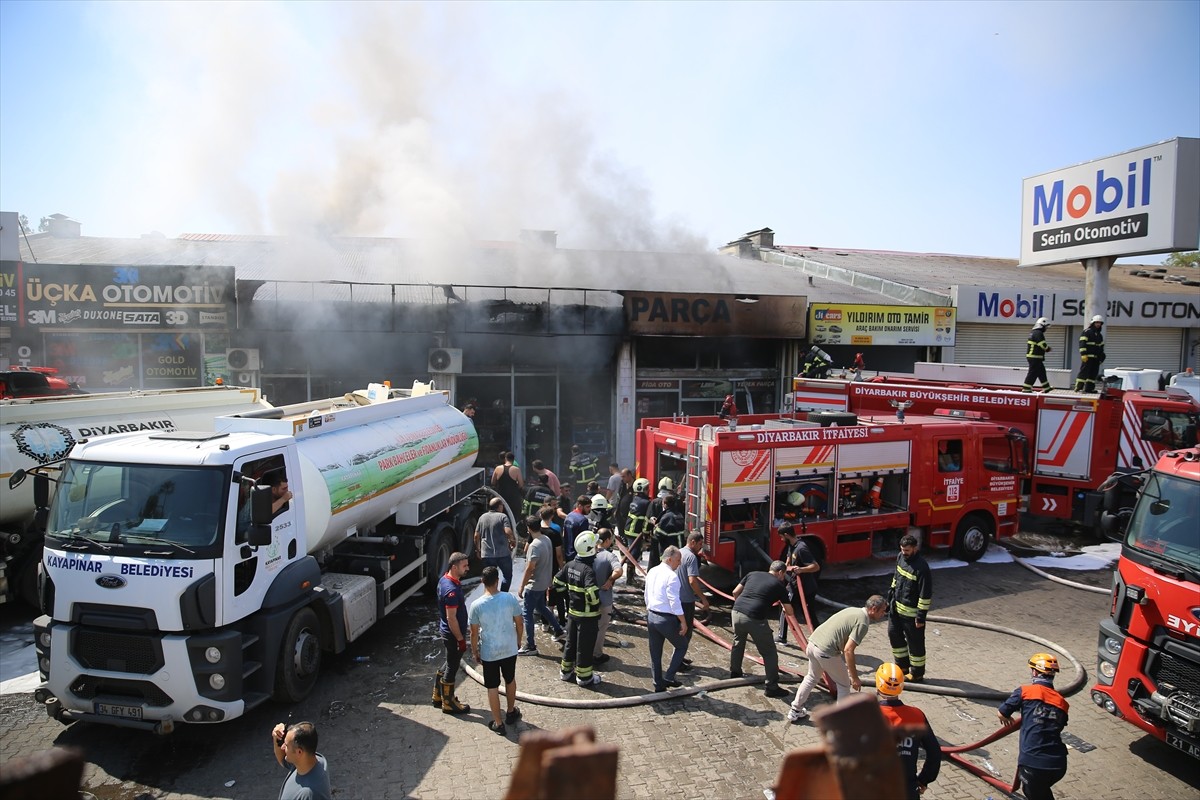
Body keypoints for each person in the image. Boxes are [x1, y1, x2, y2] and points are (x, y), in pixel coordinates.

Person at [788, 595, 889, 723]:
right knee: (844, 685)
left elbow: (842, 638)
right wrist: (855, 678)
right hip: (825, 651)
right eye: (882, 611)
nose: (884, 614)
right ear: (873, 609)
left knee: (811, 677)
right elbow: (848, 650)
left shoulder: (853, 610)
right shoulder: (863, 623)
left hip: (812, 644)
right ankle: (840, 721)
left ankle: (795, 710)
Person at [998, 653, 1070, 800]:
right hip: (1058, 764)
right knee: (1042, 791)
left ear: (1035, 672)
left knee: (1034, 792)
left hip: (1034, 764)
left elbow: (1002, 713)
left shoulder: (1025, 691)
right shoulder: (1062, 702)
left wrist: (1009, 719)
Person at [468, 565, 524, 735]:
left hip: (489, 653)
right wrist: (518, 640)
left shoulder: (476, 605)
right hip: (509, 649)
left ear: (482, 581)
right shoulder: (509, 599)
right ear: (497, 581)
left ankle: (498, 724)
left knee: (492, 687)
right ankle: (511, 712)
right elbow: (519, 623)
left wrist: (475, 652)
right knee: (510, 679)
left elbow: (473, 633)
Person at [875, 664, 941, 800]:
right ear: (901, 686)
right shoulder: (917, 715)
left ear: (878, 684)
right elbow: (934, 752)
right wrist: (924, 780)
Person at [729, 560, 794, 698]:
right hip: (755, 618)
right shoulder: (779, 585)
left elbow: (735, 592)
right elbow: (789, 612)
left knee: (738, 642)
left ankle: (735, 672)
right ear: (780, 572)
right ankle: (772, 687)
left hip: (736, 612)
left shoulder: (752, 574)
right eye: (784, 575)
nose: (783, 578)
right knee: (769, 653)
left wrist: (743, 605)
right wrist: (784, 606)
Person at [553, 531, 603, 687]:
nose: (597, 548)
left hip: (573, 613)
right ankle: (584, 677)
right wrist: (595, 605)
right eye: (595, 546)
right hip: (587, 617)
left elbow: (557, 581)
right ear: (590, 550)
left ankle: (565, 671)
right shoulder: (588, 570)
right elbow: (592, 593)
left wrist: (567, 597)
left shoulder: (570, 565)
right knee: (584, 646)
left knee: (570, 642)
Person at [644, 545, 689, 692]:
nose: (679, 564)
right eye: (678, 560)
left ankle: (658, 684)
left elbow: (646, 594)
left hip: (651, 616)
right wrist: (683, 621)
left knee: (655, 653)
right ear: (669, 559)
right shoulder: (672, 576)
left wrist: (649, 609)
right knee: (682, 645)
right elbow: (674, 602)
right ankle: (669, 676)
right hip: (666, 619)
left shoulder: (652, 571)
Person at [889, 533, 933, 682]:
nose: (904, 553)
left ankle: (917, 673)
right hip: (896, 609)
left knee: (915, 644)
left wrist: (920, 617)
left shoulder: (922, 568)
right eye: (902, 549)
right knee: (894, 636)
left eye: (907, 550)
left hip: (911, 615)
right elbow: (896, 579)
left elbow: (925, 595)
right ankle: (902, 667)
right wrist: (890, 599)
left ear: (915, 548)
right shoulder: (900, 558)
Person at [517, 516, 564, 654]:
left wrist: (521, 586)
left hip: (534, 585)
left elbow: (530, 568)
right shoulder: (547, 539)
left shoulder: (534, 545)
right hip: (544, 582)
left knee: (527, 614)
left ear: (528, 528)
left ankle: (531, 646)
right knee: (542, 607)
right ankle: (558, 630)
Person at [433, 552, 471, 715]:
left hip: (448, 632)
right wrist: (460, 639)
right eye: (464, 566)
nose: (467, 568)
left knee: (449, 661)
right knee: (452, 666)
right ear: (454, 567)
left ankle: (438, 695)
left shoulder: (444, 580)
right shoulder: (451, 590)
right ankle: (448, 702)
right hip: (453, 634)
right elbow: (451, 618)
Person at [776, 522, 821, 643]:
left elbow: (815, 566)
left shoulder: (802, 548)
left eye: (781, 537)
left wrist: (801, 570)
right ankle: (782, 636)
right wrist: (783, 570)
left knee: (808, 614)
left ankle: (820, 639)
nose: (781, 539)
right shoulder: (791, 545)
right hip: (794, 585)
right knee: (785, 606)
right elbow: (789, 559)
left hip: (805, 587)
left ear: (786, 535)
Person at [271, 720, 332, 800]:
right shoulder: (312, 760)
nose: (282, 747)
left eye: (286, 745)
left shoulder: (310, 794)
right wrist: (276, 738)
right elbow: (282, 759)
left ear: (299, 752)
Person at [675, 531, 710, 670]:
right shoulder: (691, 557)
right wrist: (703, 598)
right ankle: (678, 662)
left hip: (676, 598)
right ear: (693, 542)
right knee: (686, 632)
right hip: (686, 601)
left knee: (679, 630)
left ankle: (679, 657)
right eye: (700, 544)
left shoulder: (678, 553)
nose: (701, 547)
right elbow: (692, 581)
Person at [591, 528, 621, 665]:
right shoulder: (609, 556)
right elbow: (618, 571)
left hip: (588, 598)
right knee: (601, 628)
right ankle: (596, 654)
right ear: (607, 540)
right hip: (604, 599)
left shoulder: (588, 553)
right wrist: (610, 580)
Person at [475, 496, 516, 593]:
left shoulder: (482, 517)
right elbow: (508, 531)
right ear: (499, 506)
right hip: (503, 554)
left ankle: (490, 594)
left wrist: (478, 549)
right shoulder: (502, 516)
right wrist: (512, 541)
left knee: (489, 577)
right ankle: (503, 594)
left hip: (487, 554)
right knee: (507, 576)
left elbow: (476, 535)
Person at [539, 504, 568, 628]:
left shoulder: (537, 531)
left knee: (542, 593)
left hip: (540, 566)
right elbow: (559, 554)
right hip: (553, 567)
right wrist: (562, 568)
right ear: (552, 516)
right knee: (557, 593)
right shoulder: (555, 532)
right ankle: (561, 621)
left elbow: (527, 548)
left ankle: (544, 622)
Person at [622, 478, 652, 582]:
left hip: (629, 529)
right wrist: (646, 533)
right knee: (633, 554)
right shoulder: (646, 502)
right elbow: (647, 519)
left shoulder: (635, 499)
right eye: (647, 488)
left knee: (633, 552)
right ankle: (630, 579)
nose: (648, 490)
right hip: (635, 531)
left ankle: (632, 574)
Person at [646, 477, 676, 569]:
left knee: (654, 559)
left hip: (656, 536)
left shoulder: (654, 502)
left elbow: (648, 518)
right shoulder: (674, 501)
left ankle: (651, 575)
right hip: (669, 538)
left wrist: (646, 534)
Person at [1074, 315, 1105, 393]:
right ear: (1093, 323)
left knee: (1093, 374)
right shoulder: (1087, 332)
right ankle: (1078, 387)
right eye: (1097, 322)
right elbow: (1082, 343)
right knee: (1084, 372)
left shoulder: (1099, 335)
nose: (1098, 324)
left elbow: (1101, 347)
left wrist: (1101, 357)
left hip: (1096, 358)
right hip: (1087, 357)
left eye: (1100, 323)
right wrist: (1083, 354)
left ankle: (1089, 388)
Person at [491, 451, 525, 522]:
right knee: (513, 518)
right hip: (513, 498)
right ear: (513, 459)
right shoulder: (516, 469)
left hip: (501, 497)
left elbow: (493, 482)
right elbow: (521, 485)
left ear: (505, 458)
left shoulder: (498, 468)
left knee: (500, 518)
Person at [1023, 317, 1053, 394]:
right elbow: (1042, 344)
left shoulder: (1034, 332)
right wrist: (1048, 349)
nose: (1046, 329)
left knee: (1041, 372)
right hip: (1034, 357)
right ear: (1041, 325)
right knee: (1033, 373)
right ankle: (1026, 388)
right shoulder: (1038, 333)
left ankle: (1046, 387)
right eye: (1045, 327)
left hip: (1035, 357)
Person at [562, 495, 592, 562]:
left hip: (567, 553)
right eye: (587, 507)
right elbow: (584, 541)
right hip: (577, 556)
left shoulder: (569, 516)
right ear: (579, 506)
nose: (589, 509)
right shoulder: (583, 520)